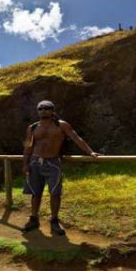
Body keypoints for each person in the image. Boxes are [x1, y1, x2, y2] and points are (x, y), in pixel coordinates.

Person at [21, 100, 99, 236]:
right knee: (35, 193)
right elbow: (28, 146)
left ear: (52, 110)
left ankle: (54, 220)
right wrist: (25, 164)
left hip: (53, 162)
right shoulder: (33, 128)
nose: (43, 111)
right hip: (35, 162)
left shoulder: (61, 125)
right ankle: (34, 219)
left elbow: (76, 138)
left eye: (46, 108)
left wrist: (90, 152)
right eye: (40, 109)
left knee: (55, 193)